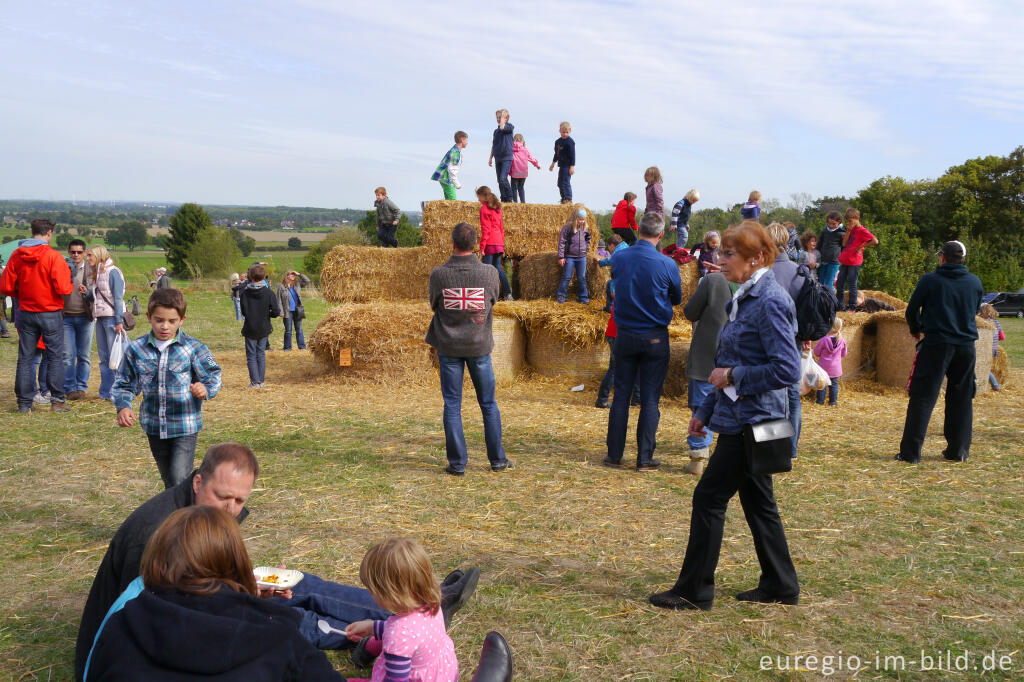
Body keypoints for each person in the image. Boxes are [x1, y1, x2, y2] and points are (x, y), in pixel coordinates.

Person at [73, 443, 483, 681]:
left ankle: (410, 606)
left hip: (195, 609)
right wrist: (251, 604)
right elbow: (167, 611)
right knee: (291, 615)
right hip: (187, 626)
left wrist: (248, 591)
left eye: (241, 500)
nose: (233, 509)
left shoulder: (191, 523)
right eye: (223, 498)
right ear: (198, 482)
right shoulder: (152, 537)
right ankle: (401, 623)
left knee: (299, 584)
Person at [649, 220, 801, 611]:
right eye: (721, 252)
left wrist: (734, 376)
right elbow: (728, 360)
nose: (720, 260)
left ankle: (694, 591)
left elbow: (787, 370)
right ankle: (781, 585)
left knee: (709, 498)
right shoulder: (746, 294)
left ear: (757, 258)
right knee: (758, 502)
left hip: (755, 421)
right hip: (742, 416)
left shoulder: (770, 300)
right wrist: (704, 411)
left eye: (729, 254)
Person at [113, 288, 222, 489]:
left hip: (185, 425)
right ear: (149, 317)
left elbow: (213, 375)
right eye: (159, 320)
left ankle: (186, 516)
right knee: (169, 480)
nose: (165, 326)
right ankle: (178, 512)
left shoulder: (194, 348)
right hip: (154, 425)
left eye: (172, 321)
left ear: (182, 320)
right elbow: (124, 383)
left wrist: (205, 389)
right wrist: (123, 405)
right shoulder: (136, 349)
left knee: (180, 478)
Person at [425, 223, 511, 475]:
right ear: (476, 244)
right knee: (488, 403)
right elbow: (493, 300)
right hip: (479, 345)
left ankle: (457, 464)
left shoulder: (439, 274)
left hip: (448, 345)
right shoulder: (490, 273)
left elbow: (433, 303)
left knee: (452, 404)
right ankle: (497, 460)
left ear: (452, 243)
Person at [603, 212, 682, 471]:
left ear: (639, 232)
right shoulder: (667, 263)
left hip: (625, 333)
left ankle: (614, 455)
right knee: (649, 399)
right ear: (661, 235)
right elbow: (677, 297)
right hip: (655, 336)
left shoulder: (620, 257)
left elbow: (615, 282)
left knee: (621, 396)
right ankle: (644, 458)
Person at [896, 241, 983, 464]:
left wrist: (916, 329)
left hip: (936, 344)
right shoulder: (974, 282)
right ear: (963, 260)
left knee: (923, 398)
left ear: (942, 258)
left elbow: (912, 310)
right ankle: (958, 450)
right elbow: (974, 311)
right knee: (962, 398)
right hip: (965, 346)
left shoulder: (930, 280)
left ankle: (911, 453)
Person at [344, 537, 458, 681]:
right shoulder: (430, 604)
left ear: (390, 594)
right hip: (442, 674)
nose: (369, 594)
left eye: (371, 590)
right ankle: (368, 649)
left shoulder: (398, 635)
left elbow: (396, 678)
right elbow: (412, 634)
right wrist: (373, 627)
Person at [1, 219, 73, 413]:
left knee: (25, 357)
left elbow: (6, 286)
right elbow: (64, 288)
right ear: (49, 233)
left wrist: (21, 295)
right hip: (50, 311)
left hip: (25, 312)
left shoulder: (17, 255)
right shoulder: (53, 257)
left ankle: (24, 403)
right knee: (55, 356)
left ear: (32, 232)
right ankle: (57, 400)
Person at [681, 271, 731, 475]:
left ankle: (698, 458)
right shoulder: (760, 279)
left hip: (709, 352)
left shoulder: (713, 280)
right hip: (742, 359)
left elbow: (690, 312)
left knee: (702, 404)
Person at [767, 222, 808, 459]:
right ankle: (790, 450)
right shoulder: (799, 271)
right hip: (794, 340)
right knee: (792, 396)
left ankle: (772, 448)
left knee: (769, 395)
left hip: (767, 341)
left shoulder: (762, 272)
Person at [84, 245, 127, 402]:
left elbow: (117, 298)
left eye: (90, 256)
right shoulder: (98, 273)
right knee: (104, 357)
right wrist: (86, 294)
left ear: (98, 255)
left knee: (117, 358)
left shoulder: (113, 272)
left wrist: (118, 320)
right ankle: (105, 393)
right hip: (100, 317)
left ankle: (120, 392)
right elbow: (99, 296)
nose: (87, 259)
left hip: (111, 318)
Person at [62, 238, 94, 400]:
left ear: (84, 253)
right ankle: (69, 388)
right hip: (65, 317)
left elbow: (97, 294)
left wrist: (87, 293)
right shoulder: (61, 269)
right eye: (73, 252)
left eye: (79, 252)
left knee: (84, 355)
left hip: (85, 318)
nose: (76, 254)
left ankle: (81, 386)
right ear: (68, 252)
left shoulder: (91, 270)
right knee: (68, 355)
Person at [240, 263, 281, 388]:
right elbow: (276, 312)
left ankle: (255, 382)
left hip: (250, 328)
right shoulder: (269, 293)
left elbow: (244, 312)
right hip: (264, 327)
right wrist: (267, 314)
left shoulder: (245, 293)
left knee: (251, 355)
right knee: (261, 354)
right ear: (264, 277)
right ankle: (261, 381)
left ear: (250, 277)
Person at [836, 208, 878, 311]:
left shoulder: (862, 230)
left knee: (851, 283)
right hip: (845, 259)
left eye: (851, 221)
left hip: (854, 262)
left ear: (857, 218)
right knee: (839, 282)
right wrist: (849, 231)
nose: (849, 223)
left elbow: (875, 241)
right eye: (848, 221)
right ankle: (839, 305)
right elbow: (844, 244)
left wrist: (862, 246)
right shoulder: (851, 229)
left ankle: (852, 306)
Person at [476, 186, 512, 300]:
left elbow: (486, 229)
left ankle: (486, 296)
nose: (478, 200)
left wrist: (482, 246)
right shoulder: (498, 209)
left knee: (486, 270)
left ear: (483, 196)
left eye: (479, 197)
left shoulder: (484, 209)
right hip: (499, 243)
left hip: (490, 243)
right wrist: (502, 243)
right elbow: (501, 228)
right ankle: (508, 294)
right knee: (498, 268)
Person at [556, 208, 592, 304]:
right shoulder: (567, 228)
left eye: (584, 219)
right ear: (575, 218)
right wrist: (561, 257)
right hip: (569, 257)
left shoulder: (585, 228)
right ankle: (561, 297)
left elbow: (588, 238)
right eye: (580, 219)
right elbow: (562, 242)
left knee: (582, 278)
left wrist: (586, 248)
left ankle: (583, 298)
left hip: (582, 257)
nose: (582, 221)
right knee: (567, 277)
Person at [814, 318, 847, 406]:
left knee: (822, 385)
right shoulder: (842, 340)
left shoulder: (824, 340)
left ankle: (820, 401)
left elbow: (816, 352)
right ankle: (833, 402)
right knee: (834, 385)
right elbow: (844, 354)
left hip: (823, 367)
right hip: (835, 368)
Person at [278, 269, 311, 350]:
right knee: (288, 331)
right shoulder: (281, 286)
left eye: (294, 274)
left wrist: (299, 274)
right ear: (287, 276)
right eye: (291, 274)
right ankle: (287, 348)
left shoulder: (297, 284)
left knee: (299, 329)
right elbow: (278, 300)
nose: (293, 275)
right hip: (287, 311)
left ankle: (302, 347)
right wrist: (281, 312)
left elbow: (307, 281)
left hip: (297, 310)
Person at [487, 109, 515, 203]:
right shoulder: (496, 131)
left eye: (501, 117)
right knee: (499, 180)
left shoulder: (509, 127)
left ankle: (510, 197)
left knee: (503, 178)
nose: (499, 119)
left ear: (506, 118)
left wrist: (503, 118)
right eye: (498, 117)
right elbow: (493, 145)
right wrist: (490, 158)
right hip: (498, 158)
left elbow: (502, 127)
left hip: (507, 157)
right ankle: (503, 198)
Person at [431, 131, 468, 200]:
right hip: (446, 178)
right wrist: (457, 184)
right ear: (462, 140)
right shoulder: (455, 153)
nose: (467, 142)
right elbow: (451, 170)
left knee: (449, 201)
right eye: (466, 140)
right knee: (454, 201)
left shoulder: (455, 150)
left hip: (444, 177)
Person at [817, 210, 845, 293]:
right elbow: (820, 244)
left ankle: (829, 301)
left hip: (834, 261)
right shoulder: (825, 231)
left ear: (839, 222)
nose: (831, 225)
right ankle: (820, 300)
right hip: (823, 260)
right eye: (829, 223)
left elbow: (843, 247)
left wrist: (841, 258)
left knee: (829, 282)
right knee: (821, 281)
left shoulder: (842, 233)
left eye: (833, 224)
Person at [509, 133, 540, 203]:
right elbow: (531, 158)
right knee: (521, 187)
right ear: (523, 141)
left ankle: (515, 202)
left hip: (515, 172)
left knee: (514, 188)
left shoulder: (511, 150)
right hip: (523, 172)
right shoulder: (525, 150)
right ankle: (523, 202)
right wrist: (537, 165)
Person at [549, 121, 575, 204]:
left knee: (565, 182)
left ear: (570, 131)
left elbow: (572, 155)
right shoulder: (558, 142)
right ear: (560, 131)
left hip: (567, 165)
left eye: (567, 132)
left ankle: (568, 199)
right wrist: (553, 164)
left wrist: (572, 166)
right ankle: (563, 199)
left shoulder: (570, 142)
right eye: (563, 132)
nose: (565, 134)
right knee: (560, 183)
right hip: (561, 165)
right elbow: (557, 154)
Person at [979, 304, 1004, 391]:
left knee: (982, 368)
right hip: (993, 349)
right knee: (986, 367)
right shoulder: (996, 322)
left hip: (983, 350)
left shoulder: (981, 322)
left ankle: (995, 386)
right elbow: (1002, 337)